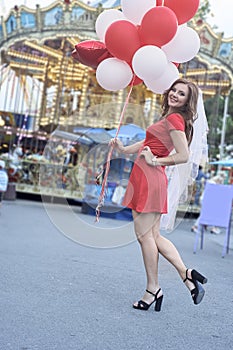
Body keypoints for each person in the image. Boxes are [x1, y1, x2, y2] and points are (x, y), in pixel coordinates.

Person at [110, 78, 208, 312]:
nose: (174, 94)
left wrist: (156, 160)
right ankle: (187, 275)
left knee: (145, 238)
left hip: (150, 177)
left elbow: (183, 155)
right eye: (173, 90)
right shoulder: (169, 117)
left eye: (181, 93)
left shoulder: (175, 119)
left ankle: (153, 289)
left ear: (188, 100)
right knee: (153, 236)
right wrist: (124, 149)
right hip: (146, 176)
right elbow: (148, 143)